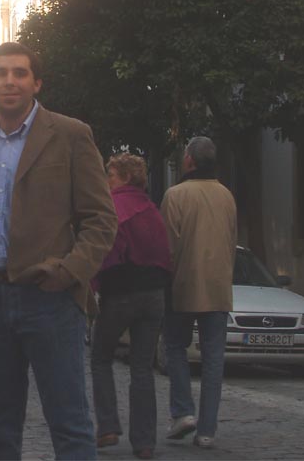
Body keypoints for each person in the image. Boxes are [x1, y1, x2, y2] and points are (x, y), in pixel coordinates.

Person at [0, 41, 118, 460]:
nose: (10, 81)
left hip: (50, 299)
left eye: (20, 73)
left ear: (37, 82)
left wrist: (70, 272)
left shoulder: (70, 134)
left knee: (69, 420)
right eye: (1, 73)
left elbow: (101, 219)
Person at [91, 153, 172, 460]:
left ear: (124, 177)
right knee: (142, 367)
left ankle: (108, 426)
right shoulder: (151, 209)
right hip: (154, 295)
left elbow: (106, 251)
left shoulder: (114, 206)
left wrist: (93, 286)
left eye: (111, 175)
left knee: (100, 356)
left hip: (121, 293)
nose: (107, 180)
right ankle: (145, 442)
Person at [160, 136, 236, 451]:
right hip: (218, 287)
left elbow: (168, 247)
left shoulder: (175, 195)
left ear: (189, 160)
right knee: (214, 359)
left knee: (175, 347)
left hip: (183, 285)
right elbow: (231, 242)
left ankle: (183, 412)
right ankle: (207, 430)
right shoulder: (227, 195)